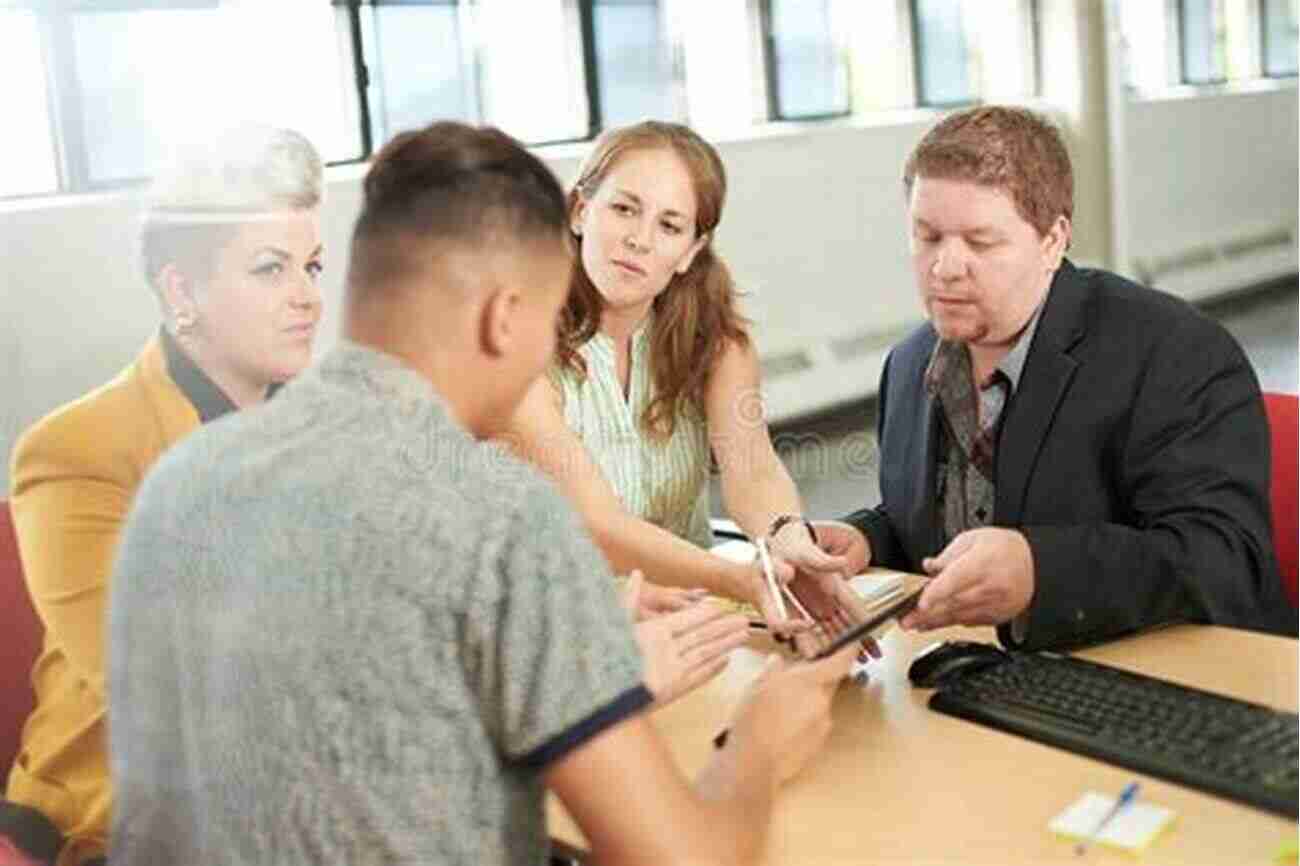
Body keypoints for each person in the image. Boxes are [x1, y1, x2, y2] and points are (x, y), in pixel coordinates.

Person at [107, 121, 859, 866]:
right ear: (506, 318)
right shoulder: (506, 523)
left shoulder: (180, 482)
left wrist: (564, 652)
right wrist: (760, 744)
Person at [804, 105, 1295, 651]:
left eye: (980, 242)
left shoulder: (1175, 353)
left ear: (1053, 240)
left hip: (1169, 683)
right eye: (928, 236)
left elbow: (1223, 559)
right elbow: (935, 529)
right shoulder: (909, 365)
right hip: (992, 676)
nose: (944, 267)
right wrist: (866, 538)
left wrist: (1041, 571)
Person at [4, 125, 325, 866]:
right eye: (272, 269)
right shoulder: (77, 451)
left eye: (312, 265)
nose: (308, 297)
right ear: (183, 289)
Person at [504, 121, 866, 643]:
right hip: (555, 632)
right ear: (581, 211)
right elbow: (596, 524)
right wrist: (740, 578)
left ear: (691, 252)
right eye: (624, 209)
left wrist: (785, 535)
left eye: (669, 226)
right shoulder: (518, 346)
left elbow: (753, 469)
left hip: (690, 618)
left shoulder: (716, 341)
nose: (639, 239)